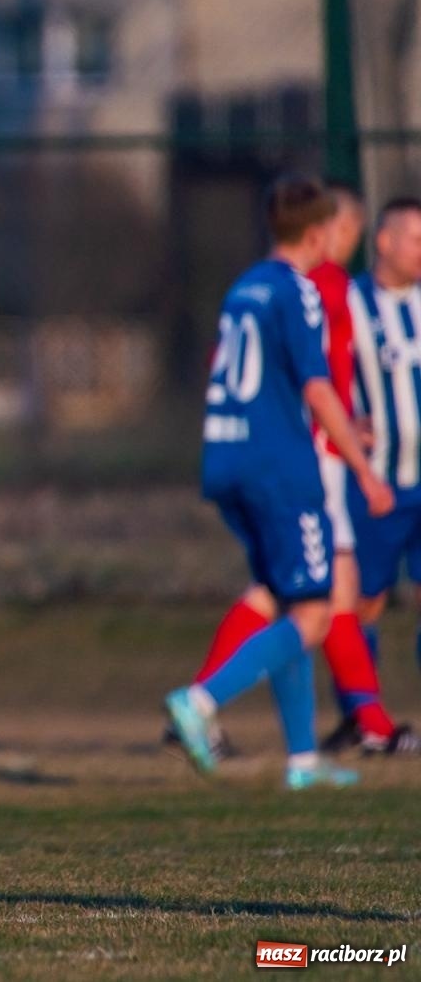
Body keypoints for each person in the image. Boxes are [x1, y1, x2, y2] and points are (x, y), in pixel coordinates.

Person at [165, 173, 394, 789]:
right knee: (316, 612)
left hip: (226, 458)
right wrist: (365, 471)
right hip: (279, 466)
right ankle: (201, 702)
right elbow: (317, 388)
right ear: (319, 233)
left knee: (289, 600)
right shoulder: (300, 291)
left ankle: (301, 761)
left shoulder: (244, 287)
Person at [335, 196, 421, 755]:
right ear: (384, 242)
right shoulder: (349, 304)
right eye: (415, 239)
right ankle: (363, 721)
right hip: (378, 483)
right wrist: (347, 424)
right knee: (362, 602)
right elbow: (321, 380)